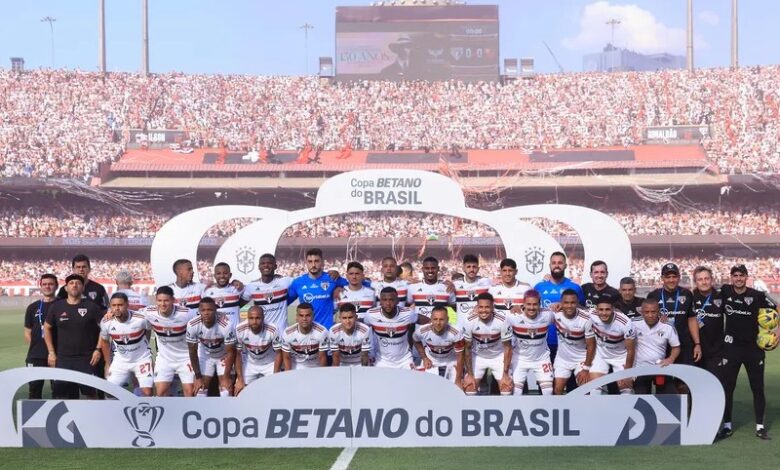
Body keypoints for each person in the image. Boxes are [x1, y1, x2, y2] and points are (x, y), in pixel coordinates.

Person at [718, 264, 778, 440]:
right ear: (731, 277)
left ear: (746, 276)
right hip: (731, 347)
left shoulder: (757, 296)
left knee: (757, 388)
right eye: (735, 275)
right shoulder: (724, 291)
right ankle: (727, 425)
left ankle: (760, 427)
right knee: (728, 387)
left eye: (741, 275)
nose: (738, 278)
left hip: (754, 348)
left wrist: (777, 333)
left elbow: (777, 307)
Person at [43, 274, 103, 399]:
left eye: (78, 283)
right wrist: (51, 352)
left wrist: (98, 349)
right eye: (71, 283)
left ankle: (92, 418)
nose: (74, 285)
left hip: (87, 359)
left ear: (82, 288)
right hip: (63, 359)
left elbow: (104, 329)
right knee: (60, 396)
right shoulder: (57, 307)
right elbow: (47, 327)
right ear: (66, 288)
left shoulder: (91, 307)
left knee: (91, 395)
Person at [647, 263, 702, 387]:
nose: (671, 280)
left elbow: (692, 319)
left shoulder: (687, 294)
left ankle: (686, 406)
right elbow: (647, 321)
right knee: (662, 384)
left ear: (679, 277)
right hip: (662, 347)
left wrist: (697, 344)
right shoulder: (654, 296)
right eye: (668, 277)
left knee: (684, 384)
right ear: (662, 278)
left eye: (674, 276)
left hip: (684, 346)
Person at [142, 286, 195, 397]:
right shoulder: (149, 312)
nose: (163, 304)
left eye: (166, 300)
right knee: (161, 393)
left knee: (190, 393)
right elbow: (130, 315)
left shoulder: (187, 314)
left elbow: (204, 319)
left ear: (173, 300)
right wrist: (111, 313)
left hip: (185, 358)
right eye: (159, 301)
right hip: (164, 359)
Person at [98, 293, 153, 396]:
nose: (117, 308)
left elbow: (148, 330)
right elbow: (104, 342)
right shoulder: (106, 322)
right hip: (120, 360)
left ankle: (139, 408)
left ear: (127, 305)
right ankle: (118, 411)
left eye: (120, 305)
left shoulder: (141, 319)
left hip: (142, 359)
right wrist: (108, 363)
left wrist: (145, 343)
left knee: (146, 392)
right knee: (109, 392)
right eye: (113, 305)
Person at [534, 252, 584, 363]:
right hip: (543, 342)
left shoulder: (575, 287)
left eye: (560, 263)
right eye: (554, 263)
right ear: (550, 265)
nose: (557, 265)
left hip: (569, 342)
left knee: (569, 379)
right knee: (545, 379)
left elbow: (583, 311)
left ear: (565, 266)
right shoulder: (539, 287)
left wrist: (566, 305)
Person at [462, 293, 513, 395]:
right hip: (478, 356)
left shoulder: (502, 320)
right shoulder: (469, 321)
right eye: (481, 307)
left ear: (493, 307)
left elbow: (508, 348)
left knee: (506, 389)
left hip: (498, 356)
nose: (484, 310)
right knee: (469, 389)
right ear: (477, 307)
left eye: (487, 307)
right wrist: (470, 375)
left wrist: (505, 374)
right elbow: (467, 348)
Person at [364, 287, 427, 369]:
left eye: (391, 300)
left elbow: (427, 321)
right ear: (380, 302)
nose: (388, 303)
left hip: (405, 361)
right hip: (381, 361)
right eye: (384, 300)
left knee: (409, 381)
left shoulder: (408, 313)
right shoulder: (371, 315)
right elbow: (362, 328)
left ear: (397, 301)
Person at [506, 290, 555, 395]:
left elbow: (569, 313)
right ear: (523, 304)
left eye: (535, 304)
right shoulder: (513, 316)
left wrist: (560, 305)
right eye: (528, 304)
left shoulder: (548, 314)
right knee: (515, 392)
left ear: (539, 304)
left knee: (548, 392)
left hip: (542, 359)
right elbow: (493, 317)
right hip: (520, 359)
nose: (532, 308)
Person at [186, 297, 237, 397]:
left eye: (210, 310)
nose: (206, 313)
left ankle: (226, 412)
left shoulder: (226, 325)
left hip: (223, 356)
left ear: (215, 310)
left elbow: (231, 352)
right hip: (205, 356)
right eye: (203, 310)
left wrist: (226, 377)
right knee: (199, 391)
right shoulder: (192, 325)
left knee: (226, 391)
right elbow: (192, 351)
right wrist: (198, 377)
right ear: (199, 311)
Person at [287, 248, 348, 329]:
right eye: (310, 261)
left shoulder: (332, 278)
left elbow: (353, 285)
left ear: (322, 262)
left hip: (327, 331)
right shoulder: (298, 282)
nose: (313, 265)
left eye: (316, 261)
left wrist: (339, 286)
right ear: (306, 263)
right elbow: (283, 303)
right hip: (308, 332)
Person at [588, 299, 636, 395]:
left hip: (621, 357)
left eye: (607, 309)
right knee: (594, 389)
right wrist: (558, 305)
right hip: (601, 355)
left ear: (613, 309)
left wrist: (627, 373)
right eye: (601, 310)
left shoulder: (626, 323)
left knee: (626, 390)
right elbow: (577, 308)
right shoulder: (591, 314)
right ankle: (596, 410)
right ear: (596, 310)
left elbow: (631, 350)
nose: (604, 313)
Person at [552, 289, 596, 395]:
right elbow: (536, 312)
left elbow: (591, 345)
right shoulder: (555, 315)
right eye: (566, 303)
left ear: (577, 303)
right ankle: (561, 411)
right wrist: (519, 307)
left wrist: (586, 368)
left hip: (580, 359)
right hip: (562, 359)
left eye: (572, 303)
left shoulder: (586, 319)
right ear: (561, 303)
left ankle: (584, 411)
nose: (569, 306)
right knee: (557, 389)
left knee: (585, 388)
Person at [633, 299, 680, 394]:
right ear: (642, 312)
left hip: (660, 368)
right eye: (647, 312)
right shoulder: (632, 323)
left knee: (672, 397)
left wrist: (670, 359)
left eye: (653, 312)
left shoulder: (667, 327)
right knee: (640, 401)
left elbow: (676, 347)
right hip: (640, 369)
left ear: (658, 312)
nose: (650, 315)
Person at [23, 273, 59, 399]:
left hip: (58, 355)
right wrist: (36, 348)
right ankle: (34, 419)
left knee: (59, 391)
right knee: (34, 391)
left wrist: (52, 352)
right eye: (44, 284)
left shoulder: (62, 305)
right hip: (36, 356)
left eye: (50, 284)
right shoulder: (32, 307)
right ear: (40, 286)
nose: (47, 287)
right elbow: (27, 331)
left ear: (56, 286)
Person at [234, 306, 282, 395]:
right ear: (247, 318)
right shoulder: (240, 329)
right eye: (251, 318)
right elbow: (237, 354)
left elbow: (279, 353)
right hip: (250, 364)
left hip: (269, 364)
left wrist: (275, 377)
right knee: (239, 392)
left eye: (258, 318)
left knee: (276, 391)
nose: (254, 322)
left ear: (263, 318)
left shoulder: (273, 329)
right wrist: (240, 379)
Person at [412, 306, 465, 385]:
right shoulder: (422, 330)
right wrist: (424, 358)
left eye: (441, 319)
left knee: (455, 388)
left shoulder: (456, 333)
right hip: (431, 361)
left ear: (447, 319)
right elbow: (415, 340)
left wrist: (458, 380)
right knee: (427, 387)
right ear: (431, 319)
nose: (438, 323)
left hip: (451, 361)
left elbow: (461, 356)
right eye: (435, 319)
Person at [241, 253, 293, 332]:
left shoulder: (285, 282)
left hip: (281, 334)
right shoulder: (251, 286)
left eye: (269, 263)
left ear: (275, 266)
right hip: (262, 335)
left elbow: (303, 281)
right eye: (263, 263)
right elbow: (237, 305)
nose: (266, 265)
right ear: (259, 267)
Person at [691, 266, 726, 381]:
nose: (704, 282)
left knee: (716, 385)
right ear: (695, 282)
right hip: (694, 350)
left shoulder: (721, 296)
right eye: (700, 279)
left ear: (712, 279)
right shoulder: (689, 297)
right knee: (695, 387)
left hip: (716, 351)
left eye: (706, 278)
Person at [281, 303, 329, 370]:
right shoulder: (288, 333)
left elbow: (322, 357)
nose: (304, 319)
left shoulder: (322, 332)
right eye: (301, 315)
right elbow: (286, 358)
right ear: (297, 317)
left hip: (315, 367)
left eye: (308, 315)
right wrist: (288, 376)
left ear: (313, 316)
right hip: (296, 366)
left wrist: (322, 374)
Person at [452, 254, 492, 329]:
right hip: (462, 330)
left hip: (481, 330)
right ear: (463, 268)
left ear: (478, 268)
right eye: (468, 267)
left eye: (474, 267)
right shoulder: (455, 285)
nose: (471, 270)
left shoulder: (486, 283)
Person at [203, 262, 243, 329]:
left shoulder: (237, 288)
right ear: (214, 275)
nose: (222, 276)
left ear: (230, 275)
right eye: (218, 273)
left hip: (234, 332)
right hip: (216, 333)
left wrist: (236, 281)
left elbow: (244, 300)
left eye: (225, 273)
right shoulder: (207, 292)